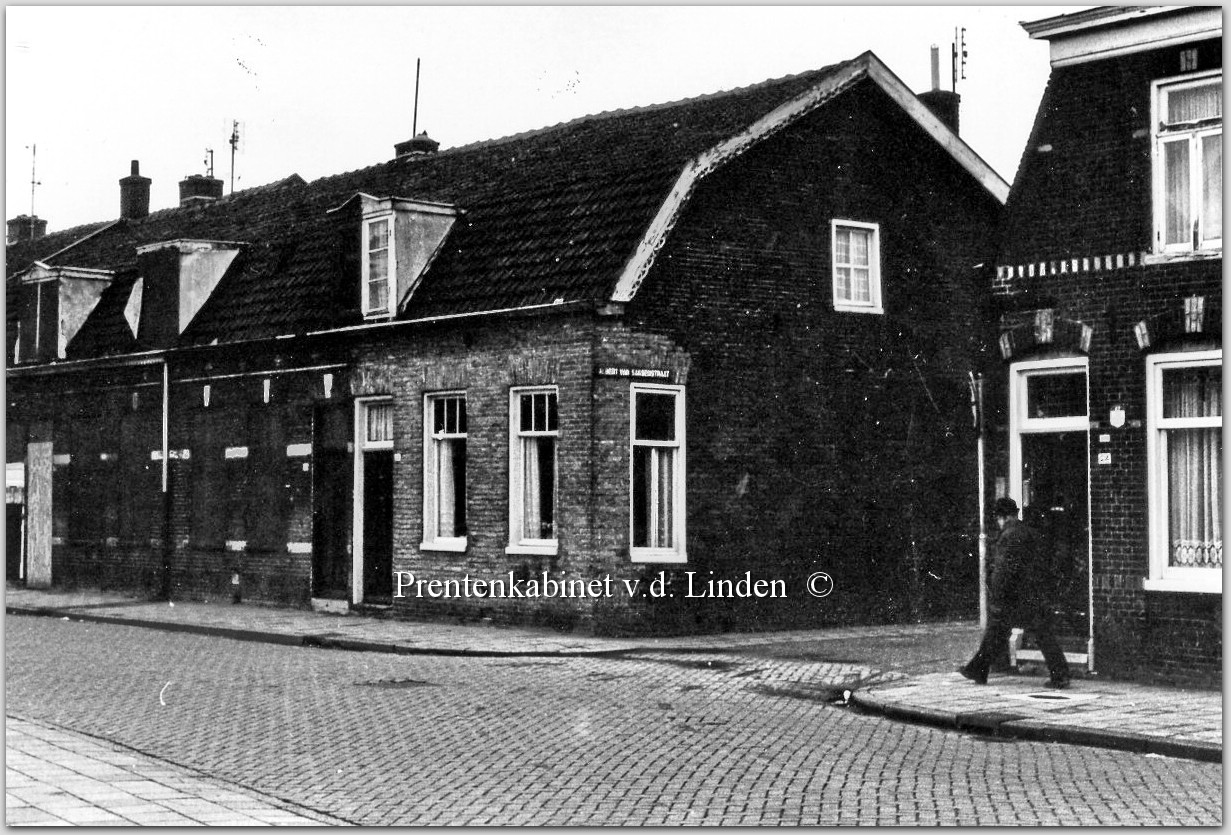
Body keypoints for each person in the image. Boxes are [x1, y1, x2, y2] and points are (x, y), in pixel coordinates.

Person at [958, 497, 1070, 689]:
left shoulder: (1008, 536)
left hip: (1014, 596)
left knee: (1000, 630)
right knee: (1034, 633)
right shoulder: (1030, 533)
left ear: (1001, 517)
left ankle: (1060, 675)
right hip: (1033, 593)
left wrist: (996, 593)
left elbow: (1003, 570)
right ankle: (979, 668)